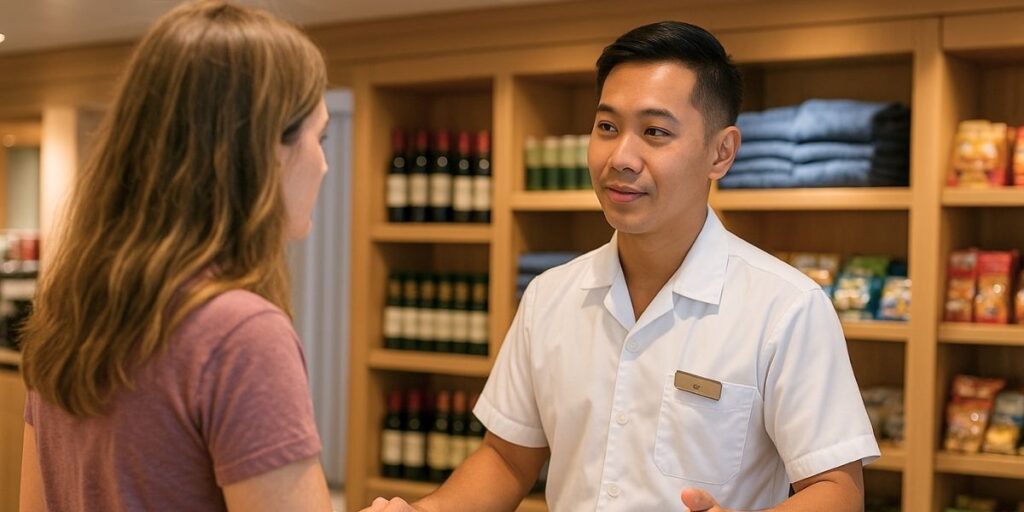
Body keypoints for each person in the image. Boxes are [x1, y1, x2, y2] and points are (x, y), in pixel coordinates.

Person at [364, 21, 878, 512]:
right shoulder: (549, 296)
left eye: (655, 131)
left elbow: (836, 488)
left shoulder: (785, 307)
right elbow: (506, 459)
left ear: (721, 153)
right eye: (607, 126)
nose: (621, 156)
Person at [18, 2, 334, 511]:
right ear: (265, 149)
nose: (323, 163)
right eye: (320, 136)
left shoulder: (71, 314)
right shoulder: (241, 335)